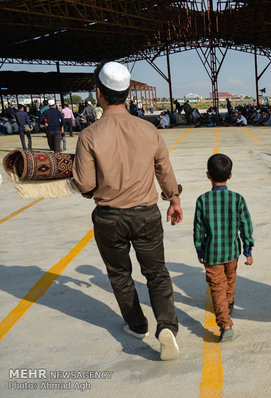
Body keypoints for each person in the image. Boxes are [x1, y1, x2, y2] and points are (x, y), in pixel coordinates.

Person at [73, 61, 183, 361]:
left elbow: (85, 185)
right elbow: (164, 169)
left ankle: (137, 325)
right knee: (157, 273)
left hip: (109, 217)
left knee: (120, 274)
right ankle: (167, 326)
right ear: (126, 92)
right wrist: (173, 199)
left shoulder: (89, 135)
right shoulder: (148, 129)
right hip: (146, 213)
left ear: (99, 93)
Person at [193, 153, 254, 342]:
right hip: (232, 251)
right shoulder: (237, 199)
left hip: (212, 253)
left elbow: (198, 229)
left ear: (207, 175)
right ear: (230, 175)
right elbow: (246, 225)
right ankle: (227, 307)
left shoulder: (202, 200)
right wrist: (248, 250)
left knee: (217, 288)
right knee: (230, 279)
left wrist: (200, 250)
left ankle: (225, 324)